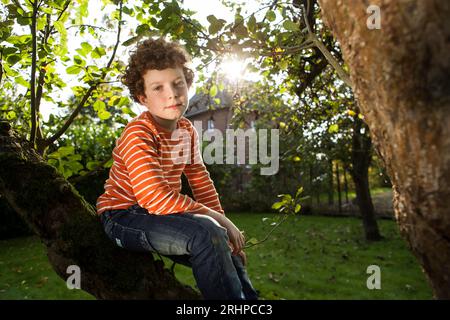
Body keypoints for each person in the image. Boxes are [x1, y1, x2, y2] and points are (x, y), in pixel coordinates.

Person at [96, 37, 258, 300]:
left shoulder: (186, 131)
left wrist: (226, 229)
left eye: (178, 84)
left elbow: (200, 181)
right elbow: (154, 197)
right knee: (207, 232)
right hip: (123, 217)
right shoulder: (139, 132)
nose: (171, 94)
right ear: (143, 97)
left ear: (188, 85)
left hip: (159, 214)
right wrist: (220, 221)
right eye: (158, 87)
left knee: (226, 248)